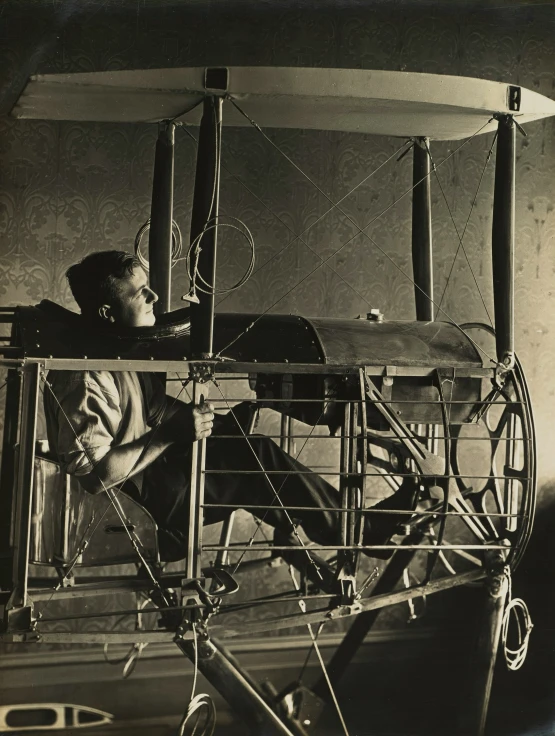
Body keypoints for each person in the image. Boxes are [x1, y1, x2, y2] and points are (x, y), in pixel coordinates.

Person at [44, 250, 417, 562]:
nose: (155, 298)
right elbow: (94, 478)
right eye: (140, 293)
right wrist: (169, 436)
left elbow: (157, 412)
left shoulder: (119, 352)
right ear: (107, 313)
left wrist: (220, 426)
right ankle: (363, 532)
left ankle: (322, 522)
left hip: (158, 480)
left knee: (247, 450)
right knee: (256, 456)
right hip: (141, 514)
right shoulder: (86, 376)